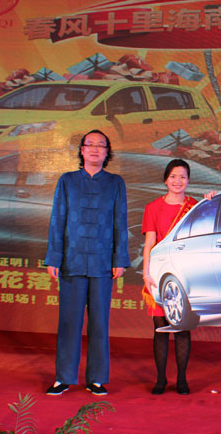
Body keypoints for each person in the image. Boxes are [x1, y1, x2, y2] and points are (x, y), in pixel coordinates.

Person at [44, 129, 130, 396]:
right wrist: (54, 257)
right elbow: (57, 220)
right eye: (89, 145)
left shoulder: (115, 183)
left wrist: (119, 259)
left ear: (107, 152)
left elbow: (120, 222)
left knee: (99, 323)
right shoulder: (67, 181)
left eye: (100, 145)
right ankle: (63, 377)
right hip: (72, 260)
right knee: (69, 322)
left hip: (103, 262)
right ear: (81, 150)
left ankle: (97, 378)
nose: (94, 149)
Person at [141, 159, 198, 395]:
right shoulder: (153, 207)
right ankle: (161, 379)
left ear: (188, 180)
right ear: (166, 179)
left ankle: (182, 379)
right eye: (173, 176)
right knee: (160, 328)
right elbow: (149, 243)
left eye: (183, 176)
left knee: (182, 326)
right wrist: (146, 273)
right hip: (159, 272)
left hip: (184, 273)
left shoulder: (194, 206)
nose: (178, 181)